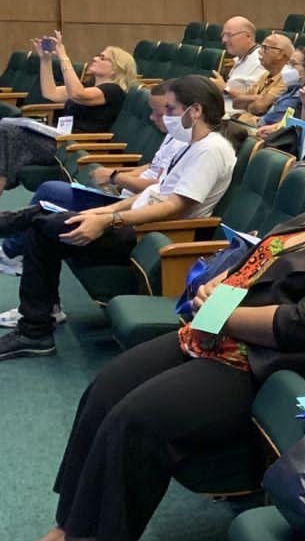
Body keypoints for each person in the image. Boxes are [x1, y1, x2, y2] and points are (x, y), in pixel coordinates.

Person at [0, 146, 305, 541]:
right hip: (211, 333)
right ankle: (69, 524)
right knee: (104, 389)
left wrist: (222, 311)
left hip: (255, 366)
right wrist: (224, 283)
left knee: (136, 420)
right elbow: (259, 262)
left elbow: (303, 324)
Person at [0, 76, 239, 360]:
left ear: (195, 110)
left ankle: (34, 331)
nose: (166, 117)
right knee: (49, 217)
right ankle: (36, 327)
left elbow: (175, 207)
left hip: (153, 234)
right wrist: (105, 211)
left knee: (45, 227)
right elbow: (154, 191)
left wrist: (110, 220)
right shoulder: (191, 144)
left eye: (172, 109)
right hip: (137, 221)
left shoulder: (211, 149)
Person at [2, 34, 134, 193]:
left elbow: (78, 95)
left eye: (102, 58)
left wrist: (63, 55)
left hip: (77, 145)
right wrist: (46, 60)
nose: (95, 58)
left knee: (8, 134)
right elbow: (51, 93)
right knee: (7, 132)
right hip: (62, 138)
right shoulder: (89, 85)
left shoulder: (113, 91)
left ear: (116, 67)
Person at [227, 32, 290, 122]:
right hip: (244, 123)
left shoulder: (286, 77)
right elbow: (236, 103)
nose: (259, 52)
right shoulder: (266, 75)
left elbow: (259, 108)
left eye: (265, 48)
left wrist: (250, 102)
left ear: (280, 54)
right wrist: (258, 97)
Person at [213, 16, 266, 98]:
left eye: (229, 35)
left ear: (248, 36)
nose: (224, 40)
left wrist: (225, 89)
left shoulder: (260, 61)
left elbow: (257, 99)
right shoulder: (239, 58)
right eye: (223, 35)